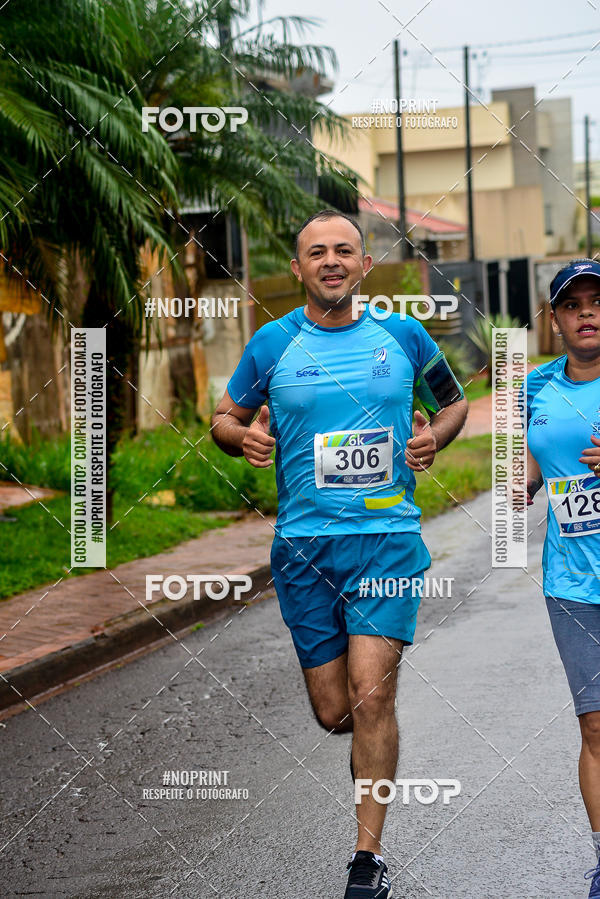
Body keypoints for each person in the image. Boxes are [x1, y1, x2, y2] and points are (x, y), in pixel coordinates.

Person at [211, 209, 468, 897]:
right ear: (297, 269)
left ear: (362, 265)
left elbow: (454, 402)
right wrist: (242, 438)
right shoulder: (270, 344)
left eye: (344, 250)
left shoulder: (403, 335)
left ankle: (366, 856)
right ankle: (371, 738)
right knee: (336, 710)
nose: (331, 260)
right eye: (316, 251)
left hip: (386, 542)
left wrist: (435, 437)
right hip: (303, 551)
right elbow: (223, 416)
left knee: (370, 691)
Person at [525, 258, 600, 898]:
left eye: (596, 301)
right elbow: (515, 482)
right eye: (572, 304)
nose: (587, 312)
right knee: (597, 726)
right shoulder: (534, 388)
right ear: (555, 320)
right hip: (573, 586)